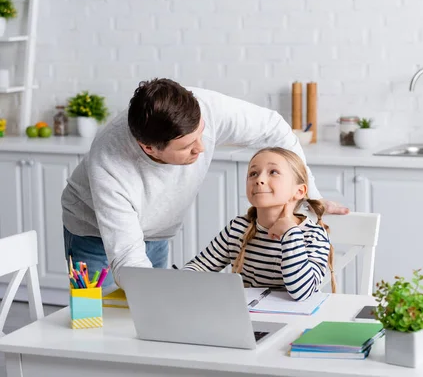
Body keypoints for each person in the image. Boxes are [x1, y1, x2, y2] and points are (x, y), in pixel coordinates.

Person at [62, 78, 348, 288]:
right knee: (102, 327)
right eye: (188, 146)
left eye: (202, 134)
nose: (201, 149)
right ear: (149, 148)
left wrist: (308, 198)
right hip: (96, 235)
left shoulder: (205, 107)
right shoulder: (109, 163)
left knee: (151, 319)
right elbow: (128, 259)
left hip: (157, 231)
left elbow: (275, 129)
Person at [182, 147, 336, 301]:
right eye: (253, 173)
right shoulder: (238, 228)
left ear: (299, 191)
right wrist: (178, 280)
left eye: (273, 172)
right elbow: (199, 268)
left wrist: (290, 232)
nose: (259, 179)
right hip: (247, 320)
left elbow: (302, 292)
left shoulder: (314, 236)